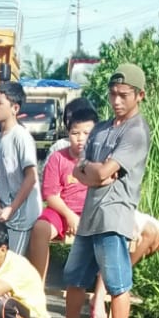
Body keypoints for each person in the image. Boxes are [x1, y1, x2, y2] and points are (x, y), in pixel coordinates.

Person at [41, 64, 150, 318]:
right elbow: (83, 169)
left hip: (114, 216)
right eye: (113, 94)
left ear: (139, 95)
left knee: (117, 282)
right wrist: (96, 174)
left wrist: (96, 173)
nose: (116, 100)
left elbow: (101, 171)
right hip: (89, 214)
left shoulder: (136, 133)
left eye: (123, 95)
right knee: (74, 276)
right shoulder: (101, 128)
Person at [30, 99, 95, 288]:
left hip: (91, 212)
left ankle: (99, 295)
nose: (81, 138)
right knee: (40, 228)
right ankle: (37, 289)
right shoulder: (58, 158)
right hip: (61, 210)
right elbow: (50, 195)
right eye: (75, 133)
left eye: (86, 133)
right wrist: (70, 216)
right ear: (68, 134)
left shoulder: (100, 160)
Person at [0, 81, 41, 257]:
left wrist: (12, 207)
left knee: (11, 267)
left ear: (15, 108)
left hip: (21, 216)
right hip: (4, 213)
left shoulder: (21, 136)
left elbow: (31, 177)